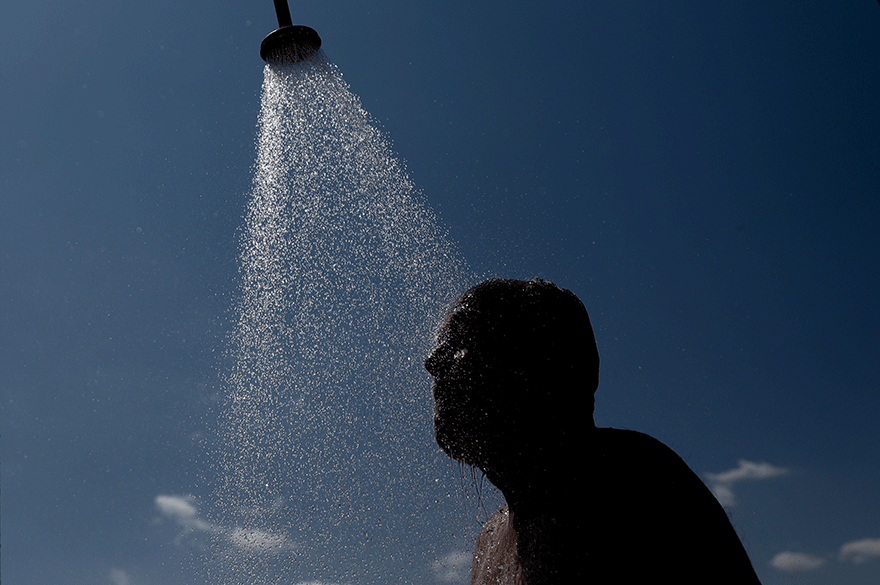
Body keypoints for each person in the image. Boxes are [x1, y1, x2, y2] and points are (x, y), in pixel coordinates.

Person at [425, 278, 761, 584]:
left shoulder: (636, 484)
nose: (432, 362)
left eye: (465, 343)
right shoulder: (491, 538)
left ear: (545, 371)